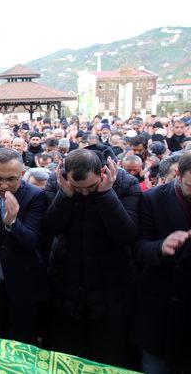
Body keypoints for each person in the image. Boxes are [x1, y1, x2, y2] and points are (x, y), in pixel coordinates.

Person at [44, 149, 140, 368]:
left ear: (103, 173)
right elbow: (50, 228)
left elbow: (126, 234)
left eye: (91, 187)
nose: (85, 193)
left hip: (112, 288)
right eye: (79, 189)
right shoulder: (57, 182)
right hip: (67, 285)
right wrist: (65, 195)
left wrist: (106, 194)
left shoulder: (126, 184)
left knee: (107, 359)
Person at [0, 149, 49, 345]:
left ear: (22, 173)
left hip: (23, 285)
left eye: (11, 179)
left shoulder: (36, 196)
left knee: (23, 345)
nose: (4, 185)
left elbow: (32, 241)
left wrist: (13, 222)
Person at [134, 151, 191, 373]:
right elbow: (138, 247)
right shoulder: (153, 199)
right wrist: (161, 247)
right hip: (161, 308)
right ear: (177, 175)